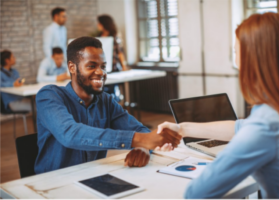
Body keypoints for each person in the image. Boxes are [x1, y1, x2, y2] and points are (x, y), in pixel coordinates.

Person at [157, 13, 279, 198]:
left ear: (251, 59)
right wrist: (182, 128)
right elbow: (239, 127)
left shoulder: (267, 123)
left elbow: (197, 193)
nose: (237, 62)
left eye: (236, 52)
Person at [34, 37, 181, 174]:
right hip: (52, 185)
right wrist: (140, 140)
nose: (100, 72)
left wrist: (143, 148)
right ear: (72, 67)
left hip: (91, 178)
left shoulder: (105, 101)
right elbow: (70, 134)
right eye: (91, 66)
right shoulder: (49, 96)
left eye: (103, 66)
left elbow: (140, 130)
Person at [97, 15, 127, 101]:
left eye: (99, 23)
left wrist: (124, 66)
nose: (97, 25)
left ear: (103, 24)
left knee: (112, 91)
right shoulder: (98, 36)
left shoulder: (114, 37)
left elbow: (120, 52)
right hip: (102, 68)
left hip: (114, 68)